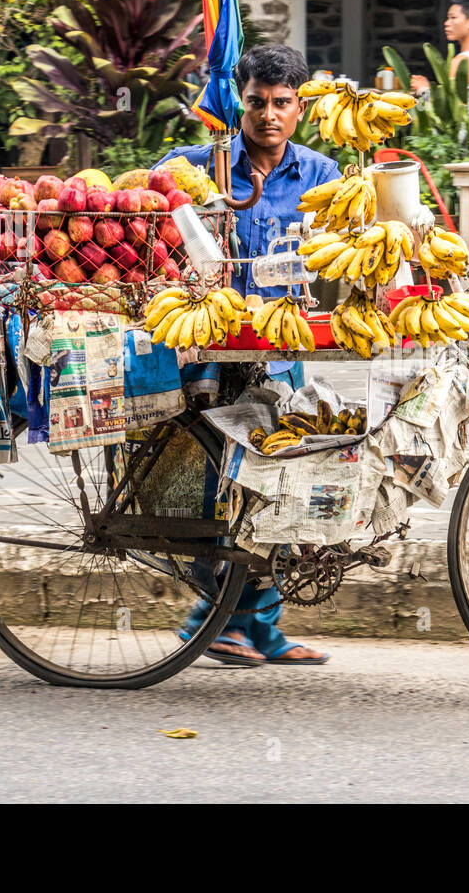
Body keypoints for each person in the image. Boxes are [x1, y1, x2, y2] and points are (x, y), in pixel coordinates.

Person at [155, 44, 338, 666]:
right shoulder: (198, 165)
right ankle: (208, 623)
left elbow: (347, 245)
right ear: (240, 100)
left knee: (283, 482)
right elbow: (150, 202)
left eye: (281, 104)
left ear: (299, 107)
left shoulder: (321, 176)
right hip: (212, 352)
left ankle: (263, 629)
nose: (267, 115)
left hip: (283, 350)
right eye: (256, 102)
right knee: (219, 485)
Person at [409, 0, 469, 95]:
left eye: (453, 18)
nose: (446, 23)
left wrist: (423, 89)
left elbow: (446, 109)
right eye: (448, 18)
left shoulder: (461, 63)